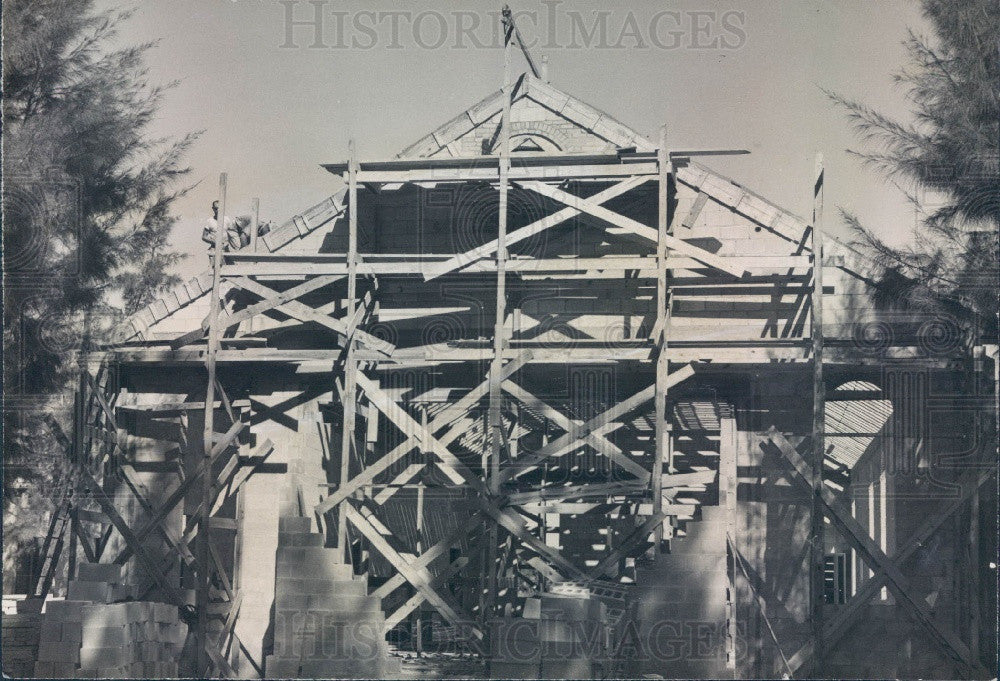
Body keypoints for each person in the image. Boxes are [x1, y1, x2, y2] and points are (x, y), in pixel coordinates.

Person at [202, 201, 271, 259]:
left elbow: (232, 234)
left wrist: (238, 248)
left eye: (220, 208)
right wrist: (215, 242)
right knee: (217, 267)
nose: (218, 210)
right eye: (216, 208)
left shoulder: (226, 219)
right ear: (213, 209)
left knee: (230, 268)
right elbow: (204, 237)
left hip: (226, 247)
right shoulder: (210, 221)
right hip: (215, 247)